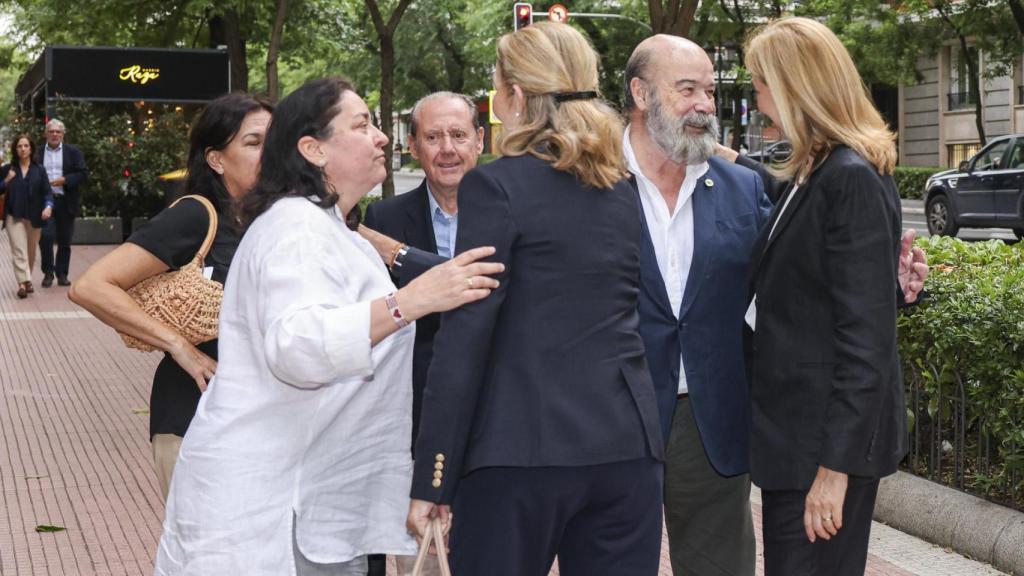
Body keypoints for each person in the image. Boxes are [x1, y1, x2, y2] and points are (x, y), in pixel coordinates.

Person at [153, 77, 502, 575]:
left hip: (317, 508)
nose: (382, 137)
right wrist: (411, 301)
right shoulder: (293, 227)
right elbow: (296, 348)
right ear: (313, 149)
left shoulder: (335, 233)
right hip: (275, 511)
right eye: (362, 125)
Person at [406, 22, 665, 576]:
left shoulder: (496, 186)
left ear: (516, 98)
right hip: (627, 447)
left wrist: (434, 475)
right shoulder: (622, 186)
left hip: (520, 449)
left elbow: (465, 335)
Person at [742, 17, 907, 575]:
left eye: (761, 83)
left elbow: (867, 339)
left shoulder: (849, 176)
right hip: (798, 440)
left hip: (821, 452)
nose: (757, 98)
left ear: (794, 86)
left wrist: (833, 470)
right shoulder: (815, 168)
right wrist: (721, 154)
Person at [69, 93, 273, 499]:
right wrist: (179, 345)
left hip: (259, 424)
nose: (269, 153)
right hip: (192, 420)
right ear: (216, 159)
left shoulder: (273, 222)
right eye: (253, 143)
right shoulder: (196, 215)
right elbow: (90, 287)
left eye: (276, 140)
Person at [362, 91, 483, 576]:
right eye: (433, 137)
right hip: (416, 418)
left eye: (458, 135)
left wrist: (399, 255)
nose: (447, 148)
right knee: (425, 564)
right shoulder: (384, 219)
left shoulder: (515, 211)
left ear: (479, 140)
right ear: (412, 146)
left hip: (497, 423)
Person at [37, 119, 88, 287]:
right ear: (46, 134)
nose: (54, 134)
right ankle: (48, 273)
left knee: (65, 240)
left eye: (58, 132)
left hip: (66, 202)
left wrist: (65, 180)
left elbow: (83, 173)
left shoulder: (73, 152)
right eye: (51, 131)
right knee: (46, 238)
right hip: (45, 203)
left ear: (63, 134)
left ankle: (62, 274)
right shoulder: (37, 153)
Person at [1, 135, 53, 298]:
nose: (22, 149)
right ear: (15, 150)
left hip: (34, 216)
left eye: (25, 146)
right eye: (19, 146)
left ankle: (26, 278)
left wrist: (48, 206)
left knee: (30, 251)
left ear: (31, 149)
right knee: (19, 250)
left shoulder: (39, 170)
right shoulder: (7, 169)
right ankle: (22, 284)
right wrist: (6, 181)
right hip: (13, 215)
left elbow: (47, 192)